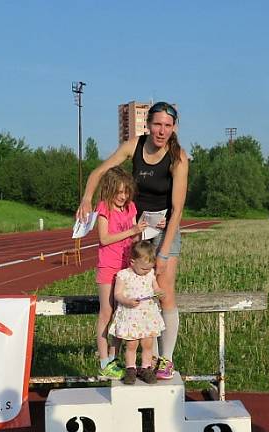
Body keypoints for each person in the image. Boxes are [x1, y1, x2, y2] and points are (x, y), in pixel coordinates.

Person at [77, 101, 187, 380]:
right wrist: (87, 199)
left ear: (174, 128)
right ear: (148, 125)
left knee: (164, 291)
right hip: (137, 227)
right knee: (129, 288)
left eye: (167, 125)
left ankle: (165, 359)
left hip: (164, 227)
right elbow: (98, 172)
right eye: (157, 124)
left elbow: (178, 210)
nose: (161, 131)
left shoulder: (178, 158)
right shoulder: (134, 146)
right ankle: (125, 359)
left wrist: (163, 253)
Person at [94, 166, 147, 379]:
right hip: (108, 266)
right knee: (106, 313)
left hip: (127, 268)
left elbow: (135, 238)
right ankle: (104, 360)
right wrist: (131, 231)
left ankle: (115, 359)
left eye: (126, 192)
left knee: (120, 314)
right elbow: (104, 238)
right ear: (109, 190)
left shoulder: (131, 207)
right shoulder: (103, 208)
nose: (123, 197)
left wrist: (143, 231)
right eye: (119, 192)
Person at [108, 241, 165, 385]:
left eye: (149, 268)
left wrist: (159, 293)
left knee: (147, 344)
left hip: (147, 315)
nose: (146, 271)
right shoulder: (123, 275)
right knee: (131, 344)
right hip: (131, 315)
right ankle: (130, 369)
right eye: (143, 268)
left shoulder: (150, 274)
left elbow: (156, 288)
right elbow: (118, 294)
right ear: (132, 262)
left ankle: (146, 368)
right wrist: (126, 301)